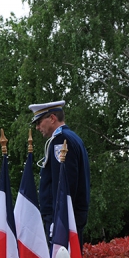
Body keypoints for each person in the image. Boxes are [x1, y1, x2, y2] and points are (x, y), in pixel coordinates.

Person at [30, 100, 90, 247]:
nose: (37, 127)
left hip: (62, 217)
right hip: (67, 216)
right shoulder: (71, 137)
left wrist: (59, 219)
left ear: (52, 118)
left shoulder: (61, 141)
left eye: (39, 122)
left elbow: (63, 183)